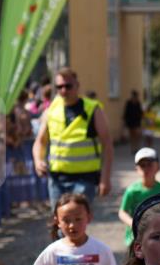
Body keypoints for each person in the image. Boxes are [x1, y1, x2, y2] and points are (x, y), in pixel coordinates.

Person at [32, 67, 113, 208]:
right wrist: (38, 160)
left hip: (85, 179)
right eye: (59, 87)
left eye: (68, 86)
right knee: (59, 219)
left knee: (77, 218)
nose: (64, 90)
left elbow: (107, 145)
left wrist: (105, 178)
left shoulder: (92, 109)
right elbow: (40, 142)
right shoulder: (51, 110)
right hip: (57, 179)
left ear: (77, 85)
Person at [118, 147, 160, 246]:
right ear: (136, 169)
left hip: (159, 238)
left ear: (158, 167)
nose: (146, 169)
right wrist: (133, 223)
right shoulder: (132, 191)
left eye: (150, 165)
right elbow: (122, 212)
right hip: (135, 239)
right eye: (142, 165)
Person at [122, 90, 144, 155]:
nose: (134, 97)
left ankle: (137, 148)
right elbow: (126, 112)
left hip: (137, 122)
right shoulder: (128, 103)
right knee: (132, 136)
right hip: (130, 122)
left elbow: (140, 112)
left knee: (137, 135)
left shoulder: (138, 103)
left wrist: (141, 119)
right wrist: (125, 121)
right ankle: (133, 148)